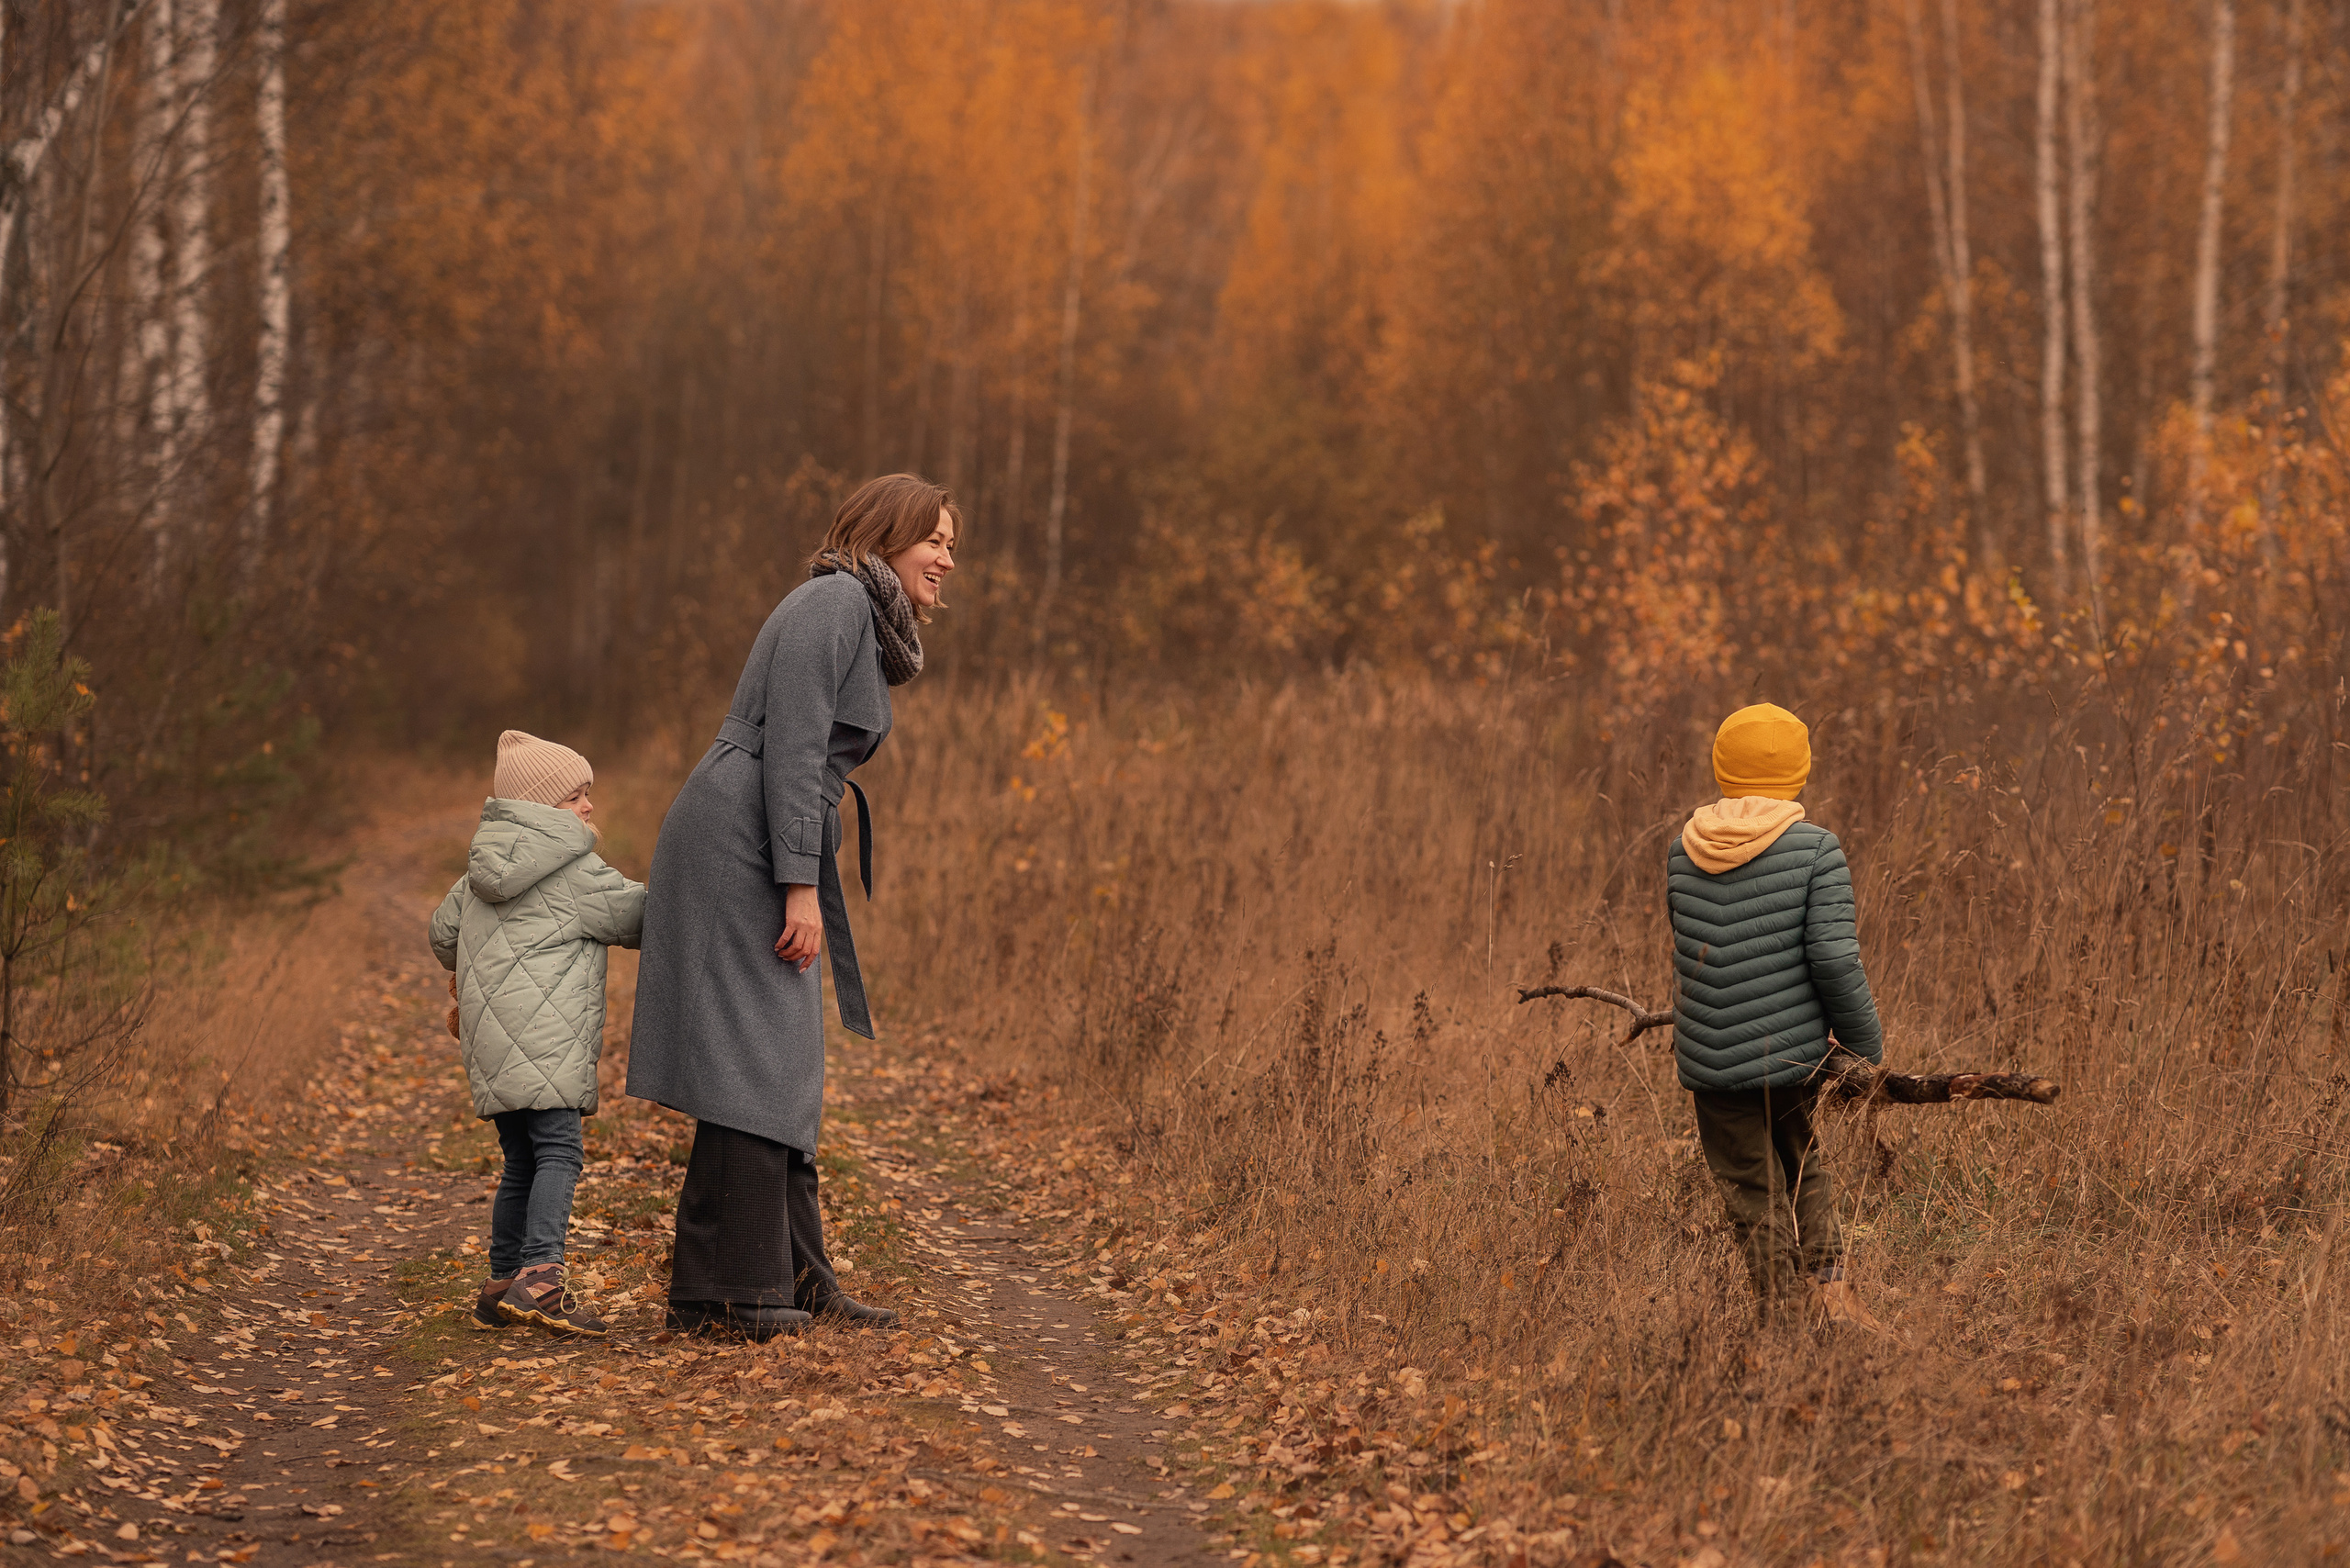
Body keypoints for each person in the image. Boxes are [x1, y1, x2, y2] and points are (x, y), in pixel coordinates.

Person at [627, 473, 957, 1340]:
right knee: (754, 1057)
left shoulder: (848, 606)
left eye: (953, 545)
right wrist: (801, 885)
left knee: (780, 1055)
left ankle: (792, 1275)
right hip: (742, 839)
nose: (949, 559)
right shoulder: (836, 603)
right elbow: (798, 747)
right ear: (890, 534)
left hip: (756, 829)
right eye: (938, 540)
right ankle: (729, 1291)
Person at [1669, 703, 1886, 1329]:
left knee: (1750, 1188)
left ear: (1721, 766)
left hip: (1711, 1060)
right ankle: (1829, 1295)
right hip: (1794, 1054)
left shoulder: (1683, 851)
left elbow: (1690, 947)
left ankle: (1783, 1316)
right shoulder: (1818, 850)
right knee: (1803, 1161)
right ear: (1800, 771)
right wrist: (1865, 1048)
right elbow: (1835, 960)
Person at [431, 730, 646, 1338]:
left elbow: (442, 934)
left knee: (520, 1160)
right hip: (548, 1044)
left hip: (492, 1045)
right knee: (559, 1153)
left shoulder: (477, 870)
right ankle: (542, 1277)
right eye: (576, 795)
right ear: (538, 806)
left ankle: (503, 1281)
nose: (588, 806)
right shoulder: (577, 871)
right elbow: (641, 917)